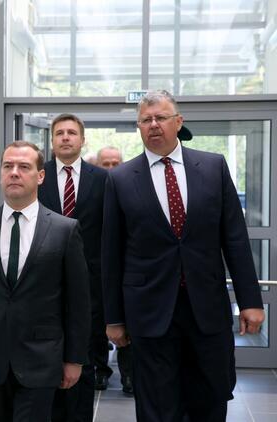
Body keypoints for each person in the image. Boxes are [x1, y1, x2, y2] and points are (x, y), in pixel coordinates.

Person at [102, 90, 265, 421]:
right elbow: (111, 253)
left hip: (206, 309)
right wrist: (114, 318)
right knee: (156, 406)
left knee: (211, 398)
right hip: (149, 312)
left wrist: (250, 301)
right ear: (139, 127)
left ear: (178, 122)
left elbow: (235, 239)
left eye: (161, 117)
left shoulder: (213, 167)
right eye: (146, 120)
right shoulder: (120, 179)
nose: (154, 125)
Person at [0, 141, 91, 422]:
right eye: (8, 166)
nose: (14, 172)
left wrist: (75, 358)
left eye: (24, 167)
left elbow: (78, 303)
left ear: (40, 176)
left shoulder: (64, 230)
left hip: (41, 358)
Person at [37, 114, 107, 420]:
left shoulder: (102, 179)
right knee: (45, 365)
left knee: (83, 362)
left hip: (89, 287)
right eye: (60, 133)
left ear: (82, 140)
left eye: (72, 133)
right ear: (52, 141)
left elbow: (109, 232)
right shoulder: (37, 175)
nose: (66, 137)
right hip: (42, 286)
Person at [93, 145, 133, 395]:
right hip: (96, 269)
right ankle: (101, 370)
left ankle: (129, 374)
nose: (110, 168)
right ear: (97, 166)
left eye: (115, 163)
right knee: (98, 323)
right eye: (105, 164)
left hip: (126, 268)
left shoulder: (130, 188)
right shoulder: (91, 191)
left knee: (126, 322)